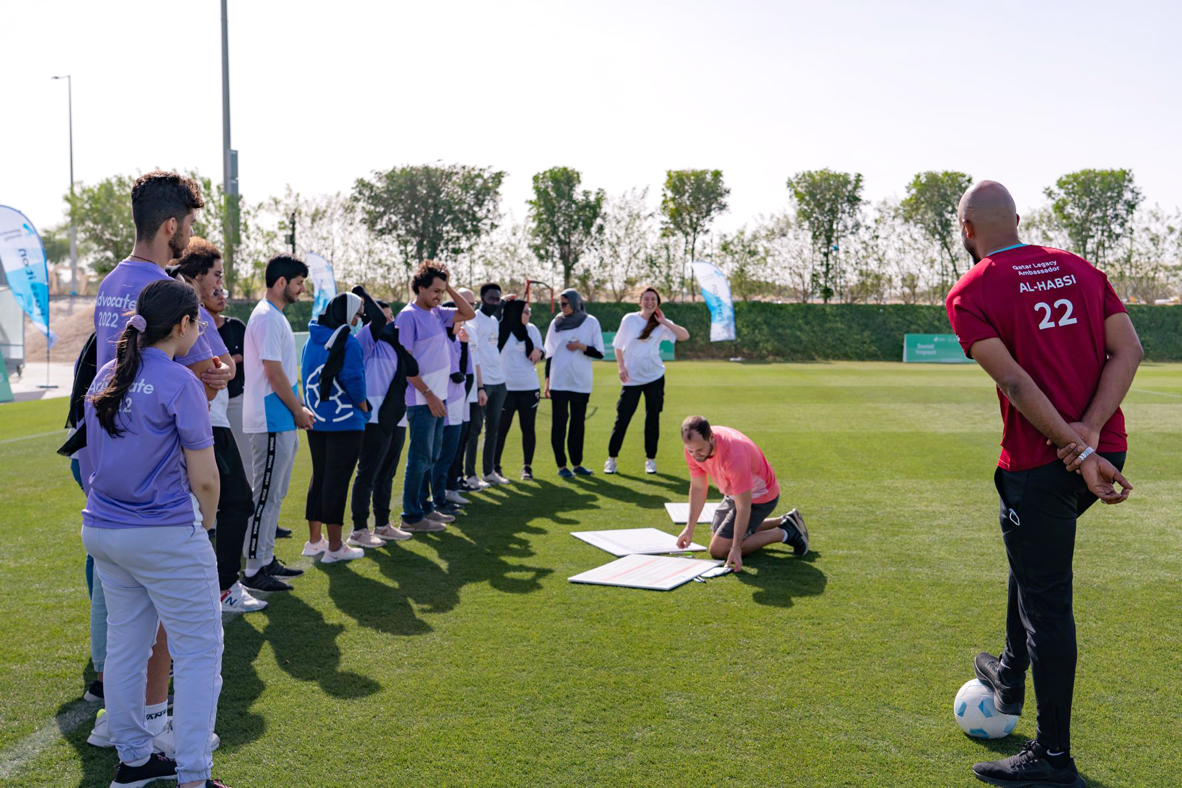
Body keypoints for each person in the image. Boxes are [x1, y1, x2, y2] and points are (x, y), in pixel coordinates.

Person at [945, 181, 1139, 787]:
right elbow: (1128, 350)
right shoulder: (1080, 268)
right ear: (1019, 220)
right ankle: (1009, 669)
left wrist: (1076, 447)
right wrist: (1092, 436)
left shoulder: (971, 290)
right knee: (1031, 563)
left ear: (966, 231)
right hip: (1103, 450)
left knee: (1048, 603)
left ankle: (1054, 757)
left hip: (1042, 464)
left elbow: (1018, 385)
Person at [85, 171, 231, 752]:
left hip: (105, 475)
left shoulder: (110, 284)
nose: (189, 235)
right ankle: (168, 736)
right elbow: (190, 376)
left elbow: (124, 374)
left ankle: (123, 734)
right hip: (157, 484)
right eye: (189, 226)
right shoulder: (164, 290)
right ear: (171, 226)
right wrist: (207, 376)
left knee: (122, 625)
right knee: (180, 627)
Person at [172, 240, 263, 613]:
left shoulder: (202, 314)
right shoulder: (183, 307)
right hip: (205, 421)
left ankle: (216, 587)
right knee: (234, 502)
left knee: (228, 504)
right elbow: (200, 376)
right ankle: (221, 588)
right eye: (216, 274)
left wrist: (223, 371)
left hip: (215, 418)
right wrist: (218, 374)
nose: (221, 283)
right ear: (195, 275)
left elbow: (226, 366)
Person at [243, 254, 314, 592]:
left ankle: (265, 557)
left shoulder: (275, 317)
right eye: (299, 283)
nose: (302, 290)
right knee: (266, 494)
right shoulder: (267, 318)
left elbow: (281, 371)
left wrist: (298, 409)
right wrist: (297, 410)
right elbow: (273, 373)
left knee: (276, 493)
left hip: (280, 417)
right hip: (270, 419)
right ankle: (254, 568)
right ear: (282, 282)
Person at [396, 261, 476, 530]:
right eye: (435, 291)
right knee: (419, 459)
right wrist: (429, 395)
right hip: (422, 400)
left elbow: (469, 313)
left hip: (438, 397)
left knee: (431, 457)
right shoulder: (407, 317)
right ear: (419, 288)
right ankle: (410, 516)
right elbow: (404, 365)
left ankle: (424, 507)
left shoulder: (437, 313)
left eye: (442, 291)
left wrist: (448, 284)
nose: (439, 296)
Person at [675, 416, 808, 571]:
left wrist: (736, 547)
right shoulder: (694, 447)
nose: (696, 455)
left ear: (711, 437)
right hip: (734, 493)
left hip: (760, 497)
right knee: (718, 539)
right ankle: (784, 521)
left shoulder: (733, 455)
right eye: (690, 450)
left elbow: (743, 506)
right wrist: (689, 528)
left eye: (699, 450)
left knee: (719, 550)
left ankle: (785, 532)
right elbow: (698, 487)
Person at [300, 292, 370, 562]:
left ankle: (315, 541)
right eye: (358, 311)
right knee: (337, 483)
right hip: (345, 423)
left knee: (319, 478)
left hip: (317, 419)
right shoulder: (348, 342)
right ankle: (335, 547)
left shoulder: (311, 339)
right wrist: (364, 408)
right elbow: (354, 381)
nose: (359, 318)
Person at [350, 292, 418, 545]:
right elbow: (377, 320)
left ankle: (382, 525)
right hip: (374, 416)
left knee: (387, 474)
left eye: (393, 318)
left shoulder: (394, 345)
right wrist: (364, 295)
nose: (392, 323)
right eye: (387, 318)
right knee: (367, 474)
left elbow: (413, 369)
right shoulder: (367, 340)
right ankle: (359, 529)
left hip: (396, 417)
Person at [604, 286, 689, 475]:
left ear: (658, 303)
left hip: (655, 377)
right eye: (646, 299)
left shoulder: (661, 323)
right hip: (631, 378)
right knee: (623, 419)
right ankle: (611, 459)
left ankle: (650, 460)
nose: (649, 302)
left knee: (653, 418)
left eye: (653, 299)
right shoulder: (629, 320)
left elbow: (684, 336)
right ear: (640, 301)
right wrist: (621, 367)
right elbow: (618, 346)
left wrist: (665, 321)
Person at [543, 289, 604, 478]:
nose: (561, 307)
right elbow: (549, 354)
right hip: (559, 382)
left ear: (575, 303)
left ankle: (577, 464)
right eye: (559, 304)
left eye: (564, 304)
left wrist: (581, 347)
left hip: (580, 382)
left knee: (578, 424)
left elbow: (599, 352)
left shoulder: (591, 322)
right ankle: (562, 466)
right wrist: (547, 381)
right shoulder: (556, 323)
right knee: (559, 424)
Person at [494, 297, 544, 481]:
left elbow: (541, 349)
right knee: (501, 429)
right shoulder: (500, 328)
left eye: (529, 311)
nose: (529, 314)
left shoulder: (532, 330)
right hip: (505, 389)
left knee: (528, 428)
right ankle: (495, 467)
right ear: (514, 312)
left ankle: (527, 468)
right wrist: (501, 303)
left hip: (529, 387)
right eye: (525, 311)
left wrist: (539, 352)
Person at [466, 283, 508, 487]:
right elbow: (474, 355)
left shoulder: (494, 320)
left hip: (499, 381)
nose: (495, 302)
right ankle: (471, 474)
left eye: (497, 299)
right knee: (474, 430)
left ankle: (489, 471)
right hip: (483, 383)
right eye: (491, 298)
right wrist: (480, 385)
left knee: (494, 428)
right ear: (482, 299)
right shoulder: (474, 320)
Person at [446, 288, 486, 500]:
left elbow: (475, 361)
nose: (470, 308)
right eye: (466, 303)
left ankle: (457, 480)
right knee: (449, 443)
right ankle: (447, 486)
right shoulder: (448, 328)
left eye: (472, 304)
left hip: (469, 394)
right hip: (454, 395)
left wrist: (480, 388)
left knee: (462, 439)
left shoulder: (472, 327)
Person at [211, 289, 251, 486]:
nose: (220, 297)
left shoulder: (235, 326)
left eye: (223, 293)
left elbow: (252, 355)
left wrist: (233, 360)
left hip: (235, 398)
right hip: (210, 403)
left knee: (244, 454)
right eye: (215, 292)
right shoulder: (199, 327)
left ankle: (247, 506)